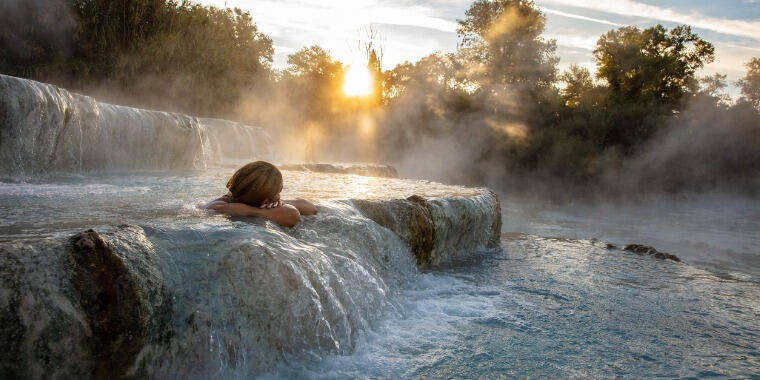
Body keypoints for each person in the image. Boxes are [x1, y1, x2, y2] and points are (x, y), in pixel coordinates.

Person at [204, 161, 316, 227]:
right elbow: (293, 214)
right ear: (265, 199)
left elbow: (310, 207)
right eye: (280, 189)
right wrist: (259, 212)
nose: (280, 193)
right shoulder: (220, 205)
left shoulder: (244, 199)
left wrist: (279, 203)